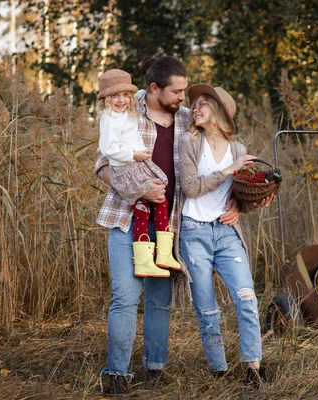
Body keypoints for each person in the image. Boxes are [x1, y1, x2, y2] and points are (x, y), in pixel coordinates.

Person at [95, 56, 241, 394]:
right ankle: (116, 373)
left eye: (184, 91)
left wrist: (237, 199)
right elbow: (103, 164)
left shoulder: (190, 119)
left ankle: (155, 368)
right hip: (127, 217)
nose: (182, 98)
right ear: (154, 88)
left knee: (159, 298)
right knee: (125, 297)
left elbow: (221, 155)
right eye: (176, 91)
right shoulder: (125, 110)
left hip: (170, 224)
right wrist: (140, 189)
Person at [177, 84, 271, 386]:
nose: (196, 107)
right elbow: (191, 187)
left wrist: (248, 204)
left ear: (220, 113)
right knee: (207, 308)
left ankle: (253, 369)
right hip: (193, 232)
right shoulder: (188, 142)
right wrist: (229, 171)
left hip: (227, 232)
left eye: (204, 104)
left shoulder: (238, 150)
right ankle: (219, 370)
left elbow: (244, 193)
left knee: (246, 297)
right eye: (195, 104)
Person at [96, 68, 179, 278]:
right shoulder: (109, 118)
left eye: (125, 95)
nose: (121, 100)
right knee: (154, 200)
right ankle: (152, 257)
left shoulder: (125, 114)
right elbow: (107, 149)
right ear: (106, 98)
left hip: (135, 162)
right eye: (115, 95)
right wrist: (134, 155)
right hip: (126, 166)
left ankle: (159, 255)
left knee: (149, 204)